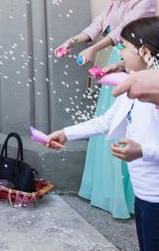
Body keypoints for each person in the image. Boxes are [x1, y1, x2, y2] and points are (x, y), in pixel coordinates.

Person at [47, 16, 159, 251]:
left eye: (125, 48)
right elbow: (107, 121)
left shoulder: (155, 97)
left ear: (145, 52)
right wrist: (66, 133)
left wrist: (142, 151)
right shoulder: (133, 87)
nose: (120, 55)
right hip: (144, 195)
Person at [55, 0, 156, 218]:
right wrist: (72, 41)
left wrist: (94, 50)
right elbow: (96, 27)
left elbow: (121, 33)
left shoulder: (145, 0)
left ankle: (137, 191)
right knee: (112, 119)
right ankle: (110, 191)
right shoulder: (115, 2)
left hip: (132, 62)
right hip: (120, 60)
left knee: (136, 123)